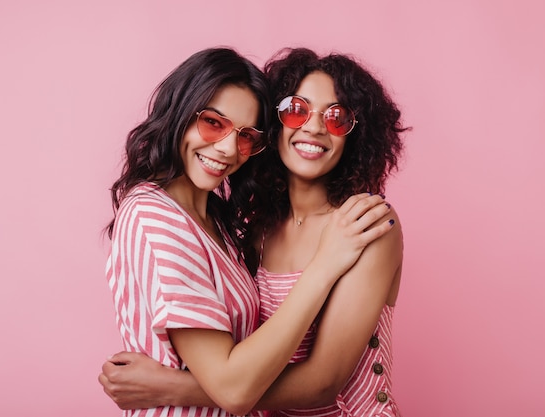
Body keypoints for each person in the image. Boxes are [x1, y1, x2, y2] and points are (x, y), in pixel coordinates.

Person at [104, 46, 396, 417]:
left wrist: (171, 387)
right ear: (277, 128)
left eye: (337, 118)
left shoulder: (362, 223)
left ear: (356, 135)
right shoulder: (252, 227)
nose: (315, 126)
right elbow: (235, 378)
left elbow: (323, 381)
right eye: (296, 110)